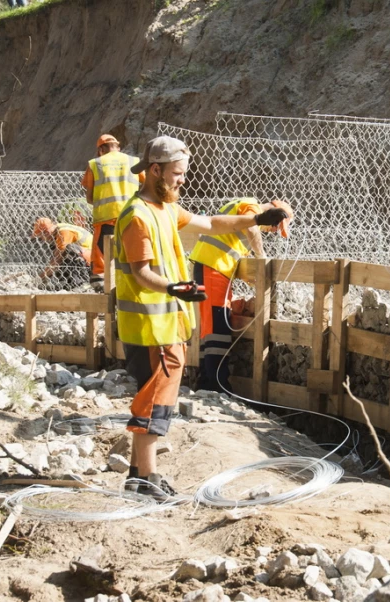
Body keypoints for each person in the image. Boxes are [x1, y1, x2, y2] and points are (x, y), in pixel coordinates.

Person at [116, 136, 289, 501]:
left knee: (154, 395)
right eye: (177, 174)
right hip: (151, 327)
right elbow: (140, 272)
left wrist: (257, 218)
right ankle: (147, 479)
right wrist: (175, 289)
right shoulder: (138, 216)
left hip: (164, 323)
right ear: (156, 170)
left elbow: (211, 223)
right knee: (155, 400)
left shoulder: (164, 209)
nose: (182, 180)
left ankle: (137, 475)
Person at [188, 197, 294, 394]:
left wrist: (249, 277)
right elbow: (252, 227)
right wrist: (261, 259)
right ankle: (216, 386)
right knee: (218, 328)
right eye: (275, 227)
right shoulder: (251, 206)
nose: (272, 232)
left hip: (213, 268)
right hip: (213, 269)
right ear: (272, 215)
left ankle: (206, 383)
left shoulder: (237, 207)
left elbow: (233, 244)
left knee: (211, 327)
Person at [82, 134, 143, 290]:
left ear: (101, 149)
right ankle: (133, 284)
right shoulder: (133, 161)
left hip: (106, 218)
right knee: (132, 253)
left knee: (101, 260)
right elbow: (147, 185)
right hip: (132, 216)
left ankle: (103, 292)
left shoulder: (95, 164)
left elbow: (89, 198)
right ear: (118, 147)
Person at [31, 218, 93, 290]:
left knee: (69, 250)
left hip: (92, 259)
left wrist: (41, 277)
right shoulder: (57, 229)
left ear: (46, 232)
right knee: (59, 251)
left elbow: (57, 261)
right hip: (86, 256)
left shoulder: (63, 232)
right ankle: (69, 282)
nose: (42, 239)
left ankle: (82, 283)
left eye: (41, 236)